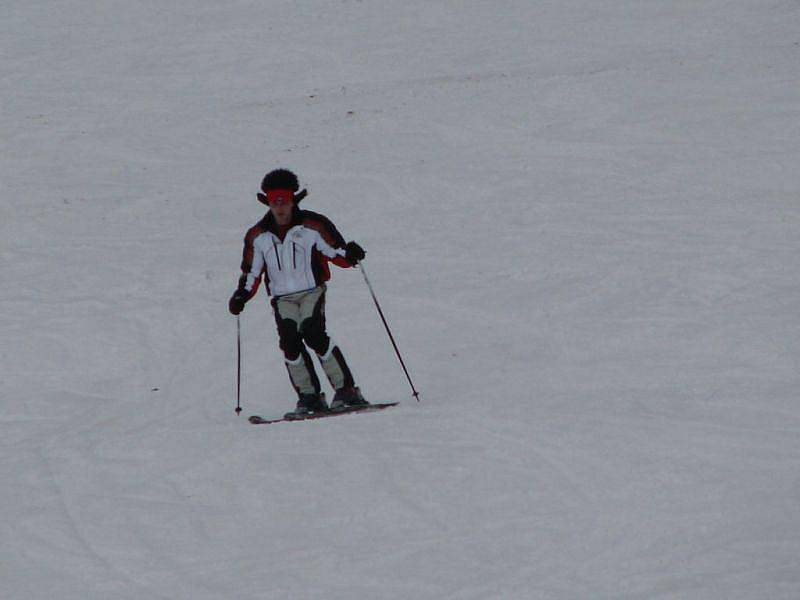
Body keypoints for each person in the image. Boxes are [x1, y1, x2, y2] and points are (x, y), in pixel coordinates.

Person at [228, 168, 368, 416]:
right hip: (282, 299)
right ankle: (309, 397)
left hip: (312, 291)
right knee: (290, 343)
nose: (280, 207)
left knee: (313, 332)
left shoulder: (313, 225)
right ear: (267, 202)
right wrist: (242, 295)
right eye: (274, 201)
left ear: (293, 199)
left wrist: (351, 255)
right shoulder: (258, 236)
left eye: (284, 200)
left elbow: (335, 250)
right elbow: (251, 271)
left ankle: (346, 390)